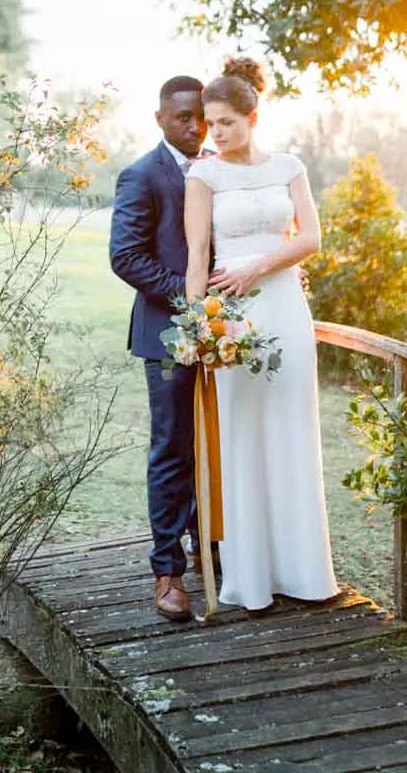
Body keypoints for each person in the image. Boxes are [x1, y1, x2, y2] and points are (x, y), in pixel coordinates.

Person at [184, 56, 339, 611]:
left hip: (282, 307)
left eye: (225, 121)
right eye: (210, 122)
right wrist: (199, 324)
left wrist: (258, 268)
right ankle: (251, 579)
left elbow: (311, 239)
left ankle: (305, 572)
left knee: (291, 429)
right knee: (243, 435)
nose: (215, 132)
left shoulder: (290, 167)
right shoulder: (202, 176)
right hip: (232, 318)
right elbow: (197, 258)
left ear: (252, 116)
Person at [109, 74, 221, 622]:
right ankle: (167, 572)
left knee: (221, 446)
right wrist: (191, 299)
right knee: (173, 449)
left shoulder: (222, 169)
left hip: (225, 333)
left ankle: (215, 552)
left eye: (201, 115)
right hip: (167, 334)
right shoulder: (141, 175)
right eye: (183, 117)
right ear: (159, 119)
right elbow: (125, 257)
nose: (195, 126)